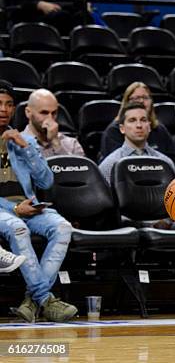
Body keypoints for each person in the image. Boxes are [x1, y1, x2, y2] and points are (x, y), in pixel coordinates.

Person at [0, 80, 77, 323]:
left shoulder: (24, 140)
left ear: (14, 109)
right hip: (6, 209)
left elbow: (46, 182)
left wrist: (27, 149)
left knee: (63, 227)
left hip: (28, 205)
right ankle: (45, 299)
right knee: (18, 228)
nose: (3, 109)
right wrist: (13, 208)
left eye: (9, 104)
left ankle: (32, 301)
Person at [100, 82, 175, 170]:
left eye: (145, 98)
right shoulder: (111, 160)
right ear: (122, 128)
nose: (141, 101)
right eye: (137, 98)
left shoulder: (160, 130)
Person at [99, 102, 175, 184]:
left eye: (143, 120)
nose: (139, 125)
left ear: (149, 127)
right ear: (122, 129)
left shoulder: (165, 162)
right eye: (132, 120)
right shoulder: (110, 164)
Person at [22, 89, 85, 157]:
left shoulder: (72, 145)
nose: (50, 118)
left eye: (54, 113)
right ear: (28, 112)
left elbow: (75, 166)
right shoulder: (15, 144)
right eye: (44, 113)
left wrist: (56, 144)